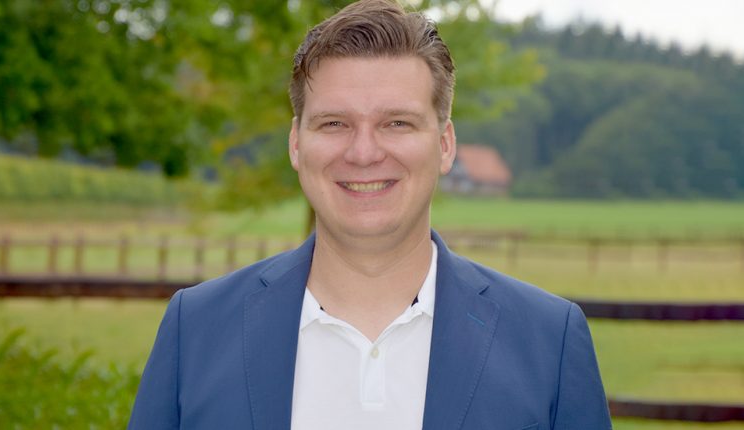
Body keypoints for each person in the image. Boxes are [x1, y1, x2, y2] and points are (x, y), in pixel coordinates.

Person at [128, 1, 612, 429]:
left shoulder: (550, 339)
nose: (363, 153)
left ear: (444, 146)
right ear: (297, 144)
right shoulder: (195, 330)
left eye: (396, 123)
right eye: (335, 123)